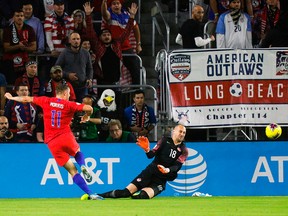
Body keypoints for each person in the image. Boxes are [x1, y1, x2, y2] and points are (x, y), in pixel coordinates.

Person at [4, 84, 103, 200]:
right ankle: (83, 165)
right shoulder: (69, 104)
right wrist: (87, 116)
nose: (69, 96)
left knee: (72, 171)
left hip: (52, 142)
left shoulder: (46, 100)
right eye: (69, 94)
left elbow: (26, 99)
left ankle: (91, 193)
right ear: (65, 93)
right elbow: (89, 108)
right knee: (77, 152)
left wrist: (12, 98)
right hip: (65, 136)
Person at [99, 124, 188, 199]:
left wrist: (167, 170)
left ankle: (139, 195)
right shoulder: (164, 141)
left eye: (184, 132)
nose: (182, 134)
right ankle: (98, 195)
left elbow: (177, 166)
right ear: (174, 131)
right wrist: (147, 149)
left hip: (161, 179)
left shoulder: (184, 150)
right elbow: (151, 155)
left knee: (143, 195)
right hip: (150, 172)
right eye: (180, 131)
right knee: (125, 193)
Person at [84, 2, 137, 96]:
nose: (106, 36)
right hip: (102, 81)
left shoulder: (117, 44)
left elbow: (127, 31)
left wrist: (132, 16)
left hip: (115, 81)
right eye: (104, 35)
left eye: (108, 35)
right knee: (102, 105)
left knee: (116, 106)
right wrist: (88, 16)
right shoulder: (98, 45)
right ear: (100, 37)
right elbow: (90, 32)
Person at [101, 0, 141, 84]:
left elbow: (135, 27)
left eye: (117, 4)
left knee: (136, 68)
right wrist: (104, 3)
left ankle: (136, 91)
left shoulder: (127, 15)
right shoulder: (109, 14)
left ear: (120, 5)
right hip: (113, 48)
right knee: (111, 72)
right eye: (114, 4)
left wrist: (138, 44)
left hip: (126, 48)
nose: (116, 6)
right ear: (111, 6)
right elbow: (104, 13)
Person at [55, 32, 93, 102]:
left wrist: (89, 79)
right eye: (74, 39)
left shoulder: (86, 53)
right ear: (70, 41)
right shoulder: (64, 53)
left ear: (80, 40)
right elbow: (56, 69)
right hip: (68, 87)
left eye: (78, 39)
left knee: (82, 109)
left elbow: (89, 68)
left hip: (83, 87)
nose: (76, 41)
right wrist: (68, 75)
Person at [2, 8, 37, 85]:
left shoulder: (29, 29)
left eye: (21, 15)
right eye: (17, 16)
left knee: (25, 84)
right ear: (13, 18)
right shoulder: (8, 30)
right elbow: (6, 48)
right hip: (10, 62)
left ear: (24, 17)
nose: (20, 17)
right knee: (11, 84)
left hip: (25, 61)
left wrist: (25, 48)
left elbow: (34, 47)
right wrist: (18, 46)